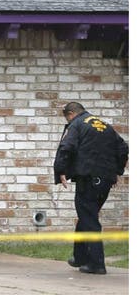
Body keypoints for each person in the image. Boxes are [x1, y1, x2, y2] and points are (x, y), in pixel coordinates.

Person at [53, 102, 128, 275]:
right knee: (87, 216)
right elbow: (123, 148)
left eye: (67, 117)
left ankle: (96, 264)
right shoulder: (105, 125)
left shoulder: (77, 124)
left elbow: (67, 147)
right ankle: (79, 257)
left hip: (88, 179)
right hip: (106, 181)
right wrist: (116, 171)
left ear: (71, 114)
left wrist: (60, 170)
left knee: (89, 219)